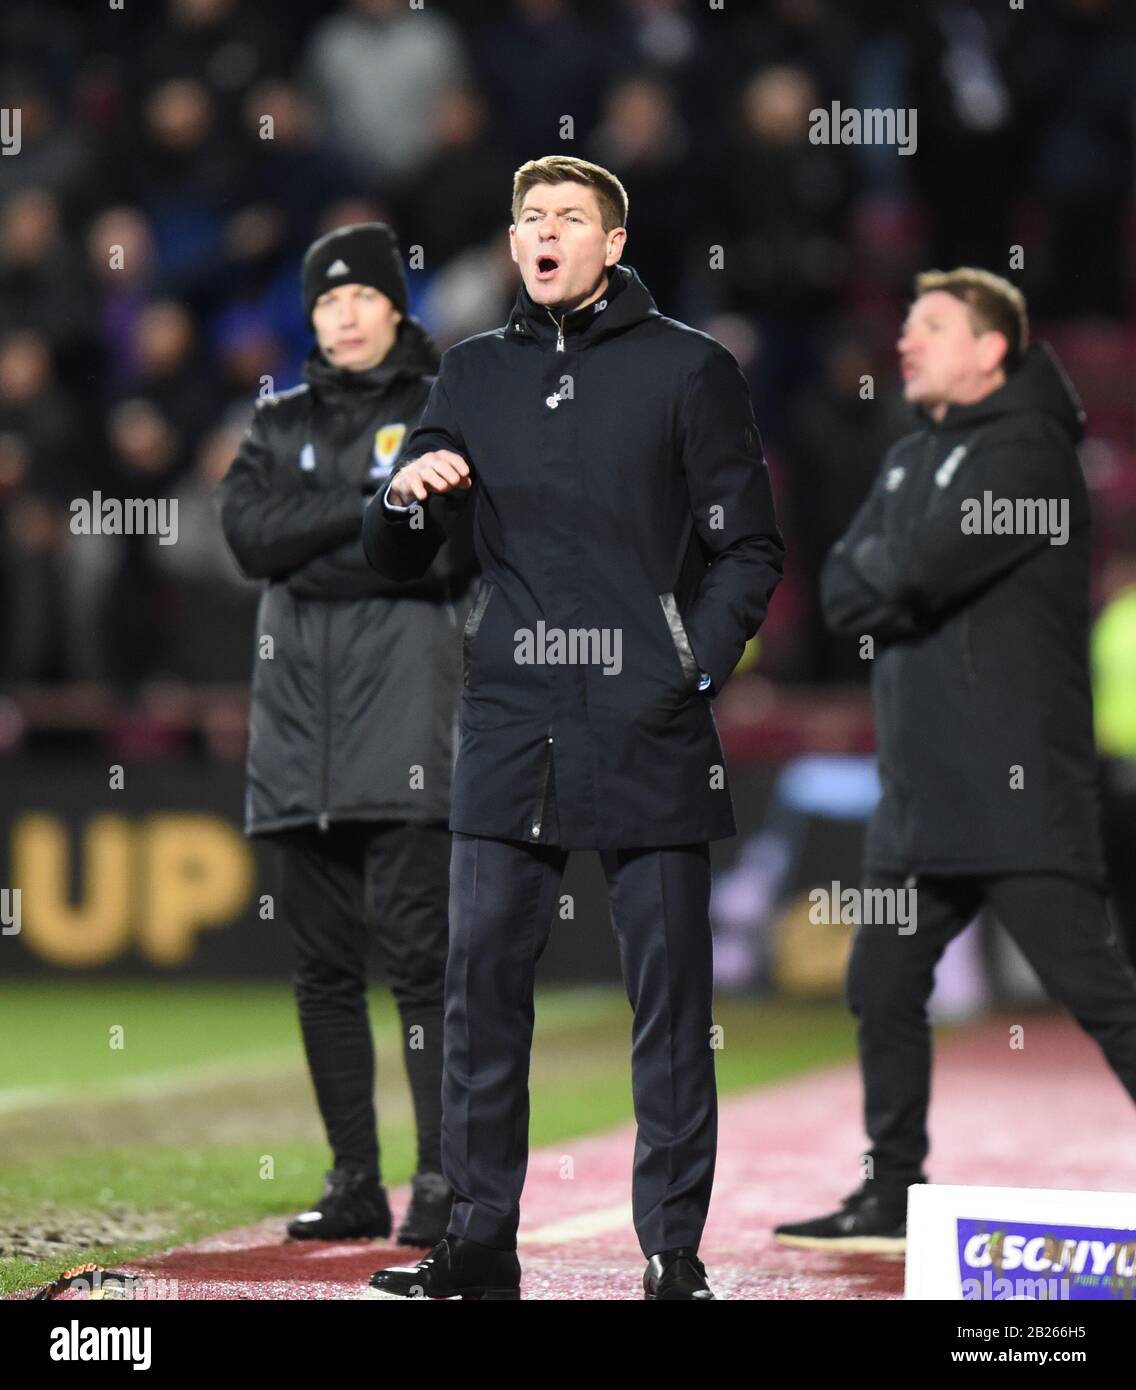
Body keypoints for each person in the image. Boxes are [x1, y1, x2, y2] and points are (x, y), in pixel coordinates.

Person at [362, 154, 784, 1300]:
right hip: (508, 717)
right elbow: (400, 551)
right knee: (479, 987)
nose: (546, 233)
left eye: (569, 218)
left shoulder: (690, 370)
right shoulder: (467, 375)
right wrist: (399, 499)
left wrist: (686, 663)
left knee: (671, 1004)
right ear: (511, 247)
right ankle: (476, 1240)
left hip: (646, 718)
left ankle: (670, 1253)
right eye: (530, 218)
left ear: (612, 242)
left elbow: (748, 547)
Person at [775, 268, 1136, 1252]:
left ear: (990, 350)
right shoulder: (910, 454)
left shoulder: (1027, 453)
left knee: (1099, 991)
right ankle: (890, 1188)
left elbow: (917, 569)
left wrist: (885, 570)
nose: (905, 340)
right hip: (918, 796)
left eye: (930, 325)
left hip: (1012, 787)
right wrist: (884, 570)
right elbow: (842, 584)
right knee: (880, 981)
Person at [218, 223, 475, 1248]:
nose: (346, 314)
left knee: (422, 969)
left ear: (395, 304)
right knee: (322, 971)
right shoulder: (274, 421)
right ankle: (354, 1180)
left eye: (363, 296)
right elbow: (247, 538)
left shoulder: (439, 406)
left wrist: (321, 535)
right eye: (327, 302)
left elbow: (442, 553)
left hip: (408, 730)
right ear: (312, 317)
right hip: (296, 744)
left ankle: (444, 1183)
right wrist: (374, 511)